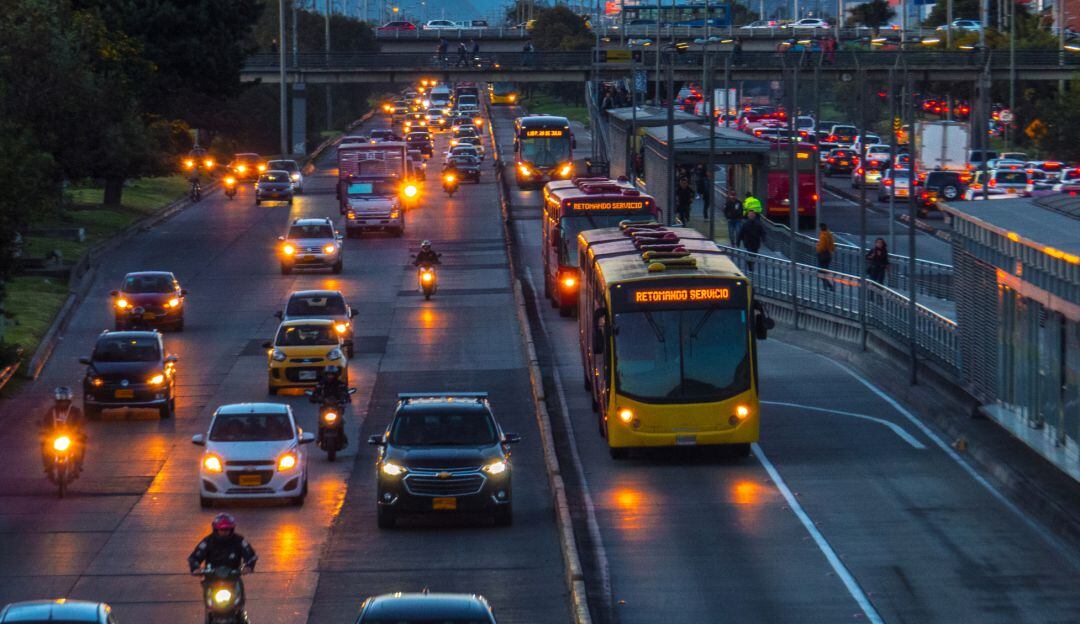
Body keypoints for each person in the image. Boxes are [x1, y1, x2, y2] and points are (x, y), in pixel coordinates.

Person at [188, 513, 258, 608]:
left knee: (239, 598)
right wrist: (196, 568)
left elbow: (251, 555)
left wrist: (248, 567)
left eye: (227, 529)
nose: (225, 532)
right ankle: (210, 615)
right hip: (212, 578)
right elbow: (194, 557)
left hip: (233, 577)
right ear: (216, 529)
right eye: (222, 529)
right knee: (209, 602)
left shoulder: (239, 541)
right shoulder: (207, 541)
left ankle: (240, 614)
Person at [39, 386, 85, 479]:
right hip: (54, 435)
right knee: (44, 443)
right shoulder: (51, 411)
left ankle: (78, 465)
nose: (63, 402)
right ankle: (47, 465)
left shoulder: (75, 411)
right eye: (61, 400)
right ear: (56, 399)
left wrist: (78, 429)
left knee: (82, 442)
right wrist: (44, 429)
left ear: (69, 399)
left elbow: (80, 421)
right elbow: (45, 422)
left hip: (71, 435)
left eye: (65, 400)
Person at [816, 222, 836, 291]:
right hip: (828, 255)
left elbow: (822, 247)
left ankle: (829, 286)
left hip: (823, 255)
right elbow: (833, 246)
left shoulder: (823, 235)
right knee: (824, 272)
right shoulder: (829, 234)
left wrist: (817, 248)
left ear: (821, 228)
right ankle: (828, 287)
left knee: (821, 272)